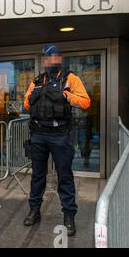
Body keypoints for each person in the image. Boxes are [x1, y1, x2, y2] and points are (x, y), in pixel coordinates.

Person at [23, 44, 91, 236]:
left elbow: (86, 102)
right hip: (38, 133)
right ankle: (34, 210)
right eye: (46, 58)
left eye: (52, 57)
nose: (48, 61)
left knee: (64, 176)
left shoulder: (70, 78)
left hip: (60, 134)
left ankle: (69, 215)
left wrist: (66, 95)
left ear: (58, 58)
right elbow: (26, 103)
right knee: (37, 175)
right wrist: (35, 97)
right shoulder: (37, 80)